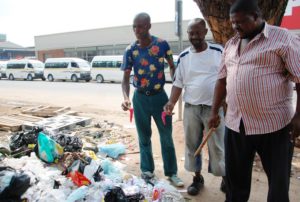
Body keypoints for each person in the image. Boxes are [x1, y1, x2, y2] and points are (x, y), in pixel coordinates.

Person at [208, 0, 300, 201]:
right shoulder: (231, 44)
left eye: (240, 22)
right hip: (236, 124)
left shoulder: (282, 38)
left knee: (278, 183)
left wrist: (298, 116)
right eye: (233, 22)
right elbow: (221, 80)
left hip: (274, 126)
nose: (235, 27)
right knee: (235, 182)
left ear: (257, 17)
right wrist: (215, 111)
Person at [164, 18, 226, 196]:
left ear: (205, 32)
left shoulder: (218, 51)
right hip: (191, 108)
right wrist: (171, 102)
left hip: (213, 108)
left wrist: (222, 105)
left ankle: (224, 178)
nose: (194, 36)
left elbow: (227, 79)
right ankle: (197, 178)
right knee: (192, 145)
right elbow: (178, 83)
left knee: (218, 146)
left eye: (198, 32)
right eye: (191, 33)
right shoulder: (184, 56)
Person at [121, 12, 183, 187]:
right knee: (144, 137)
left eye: (140, 26)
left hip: (160, 99)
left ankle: (172, 173)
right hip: (140, 99)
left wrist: (173, 96)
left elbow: (172, 67)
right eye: (134, 26)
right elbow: (126, 78)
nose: (136, 30)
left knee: (166, 136)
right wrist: (126, 98)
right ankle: (147, 171)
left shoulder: (162, 45)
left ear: (149, 26)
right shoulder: (130, 50)